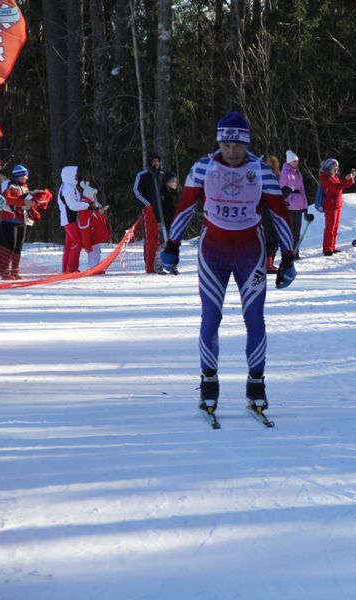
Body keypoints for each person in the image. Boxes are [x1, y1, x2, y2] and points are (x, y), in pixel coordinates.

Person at [159, 111, 296, 417]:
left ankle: (256, 383)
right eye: (226, 145)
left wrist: (288, 255)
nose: (232, 151)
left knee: (255, 319)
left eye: (238, 146)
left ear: (247, 144)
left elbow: (279, 212)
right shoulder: (203, 168)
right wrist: (172, 244)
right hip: (214, 252)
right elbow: (186, 206)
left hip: (250, 253)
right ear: (219, 143)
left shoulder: (260, 170)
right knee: (211, 317)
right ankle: (209, 382)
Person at [133, 155, 176, 273]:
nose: (156, 163)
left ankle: (169, 265)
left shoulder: (163, 175)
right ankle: (152, 266)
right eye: (154, 161)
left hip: (165, 212)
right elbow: (136, 192)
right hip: (150, 212)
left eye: (157, 161)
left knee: (167, 239)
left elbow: (171, 191)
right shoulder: (143, 175)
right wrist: (148, 204)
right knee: (152, 239)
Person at [318, 158, 356, 255]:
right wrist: (346, 179)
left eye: (337, 166)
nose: (337, 168)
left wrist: (351, 178)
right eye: (335, 166)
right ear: (330, 167)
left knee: (335, 227)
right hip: (330, 205)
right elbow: (336, 188)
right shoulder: (324, 177)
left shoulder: (335, 177)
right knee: (330, 227)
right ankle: (327, 249)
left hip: (337, 204)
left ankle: (332, 247)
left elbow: (342, 185)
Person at [58, 166, 91, 273]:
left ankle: (65, 269)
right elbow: (72, 205)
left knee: (69, 244)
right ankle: (72, 269)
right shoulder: (67, 188)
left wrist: (85, 202)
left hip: (70, 219)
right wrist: (87, 206)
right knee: (77, 242)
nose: (76, 176)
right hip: (69, 219)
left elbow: (76, 201)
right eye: (74, 174)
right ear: (69, 175)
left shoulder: (69, 187)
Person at [279, 150, 310, 251]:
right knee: (289, 230)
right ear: (289, 161)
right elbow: (281, 190)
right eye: (294, 161)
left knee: (297, 231)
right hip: (289, 205)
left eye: (297, 161)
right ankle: (288, 252)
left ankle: (296, 252)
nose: (296, 163)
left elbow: (302, 190)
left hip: (299, 205)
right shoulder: (284, 174)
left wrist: (305, 206)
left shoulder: (298, 174)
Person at [77, 180, 112, 272]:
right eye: (93, 195)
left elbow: (93, 214)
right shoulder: (84, 206)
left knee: (96, 251)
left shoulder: (90, 205)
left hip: (94, 234)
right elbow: (84, 223)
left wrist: (99, 211)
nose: (95, 197)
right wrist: (97, 211)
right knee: (93, 251)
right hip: (91, 235)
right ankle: (94, 268)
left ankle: (95, 267)